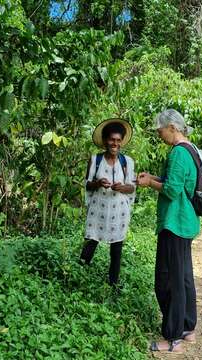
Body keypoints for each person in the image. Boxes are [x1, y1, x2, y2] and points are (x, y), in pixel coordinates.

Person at [136, 109, 199, 354]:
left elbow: (172, 191)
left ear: (172, 127)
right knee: (183, 277)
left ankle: (172, 339)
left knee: (168, 280)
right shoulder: (190, 150)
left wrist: (149, 183)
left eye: (160, 130)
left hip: (174, 223)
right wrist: (154, 176)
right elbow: (177, 182)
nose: (159, 135)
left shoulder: (177, 154)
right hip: (186, 222)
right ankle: (187, 329)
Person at [79, 118, 136, 289]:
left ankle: (113, 284)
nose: (115, 143)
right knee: (91, 240)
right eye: (112, 139)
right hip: (98, 209)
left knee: (116, 248)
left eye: (118, 140)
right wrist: (97, 183)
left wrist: (122, 187)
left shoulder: (127, 162)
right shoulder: (95, 160)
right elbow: (87, 184)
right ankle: (78, 274)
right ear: (105, 141)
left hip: (119, 212)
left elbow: (132, 187)